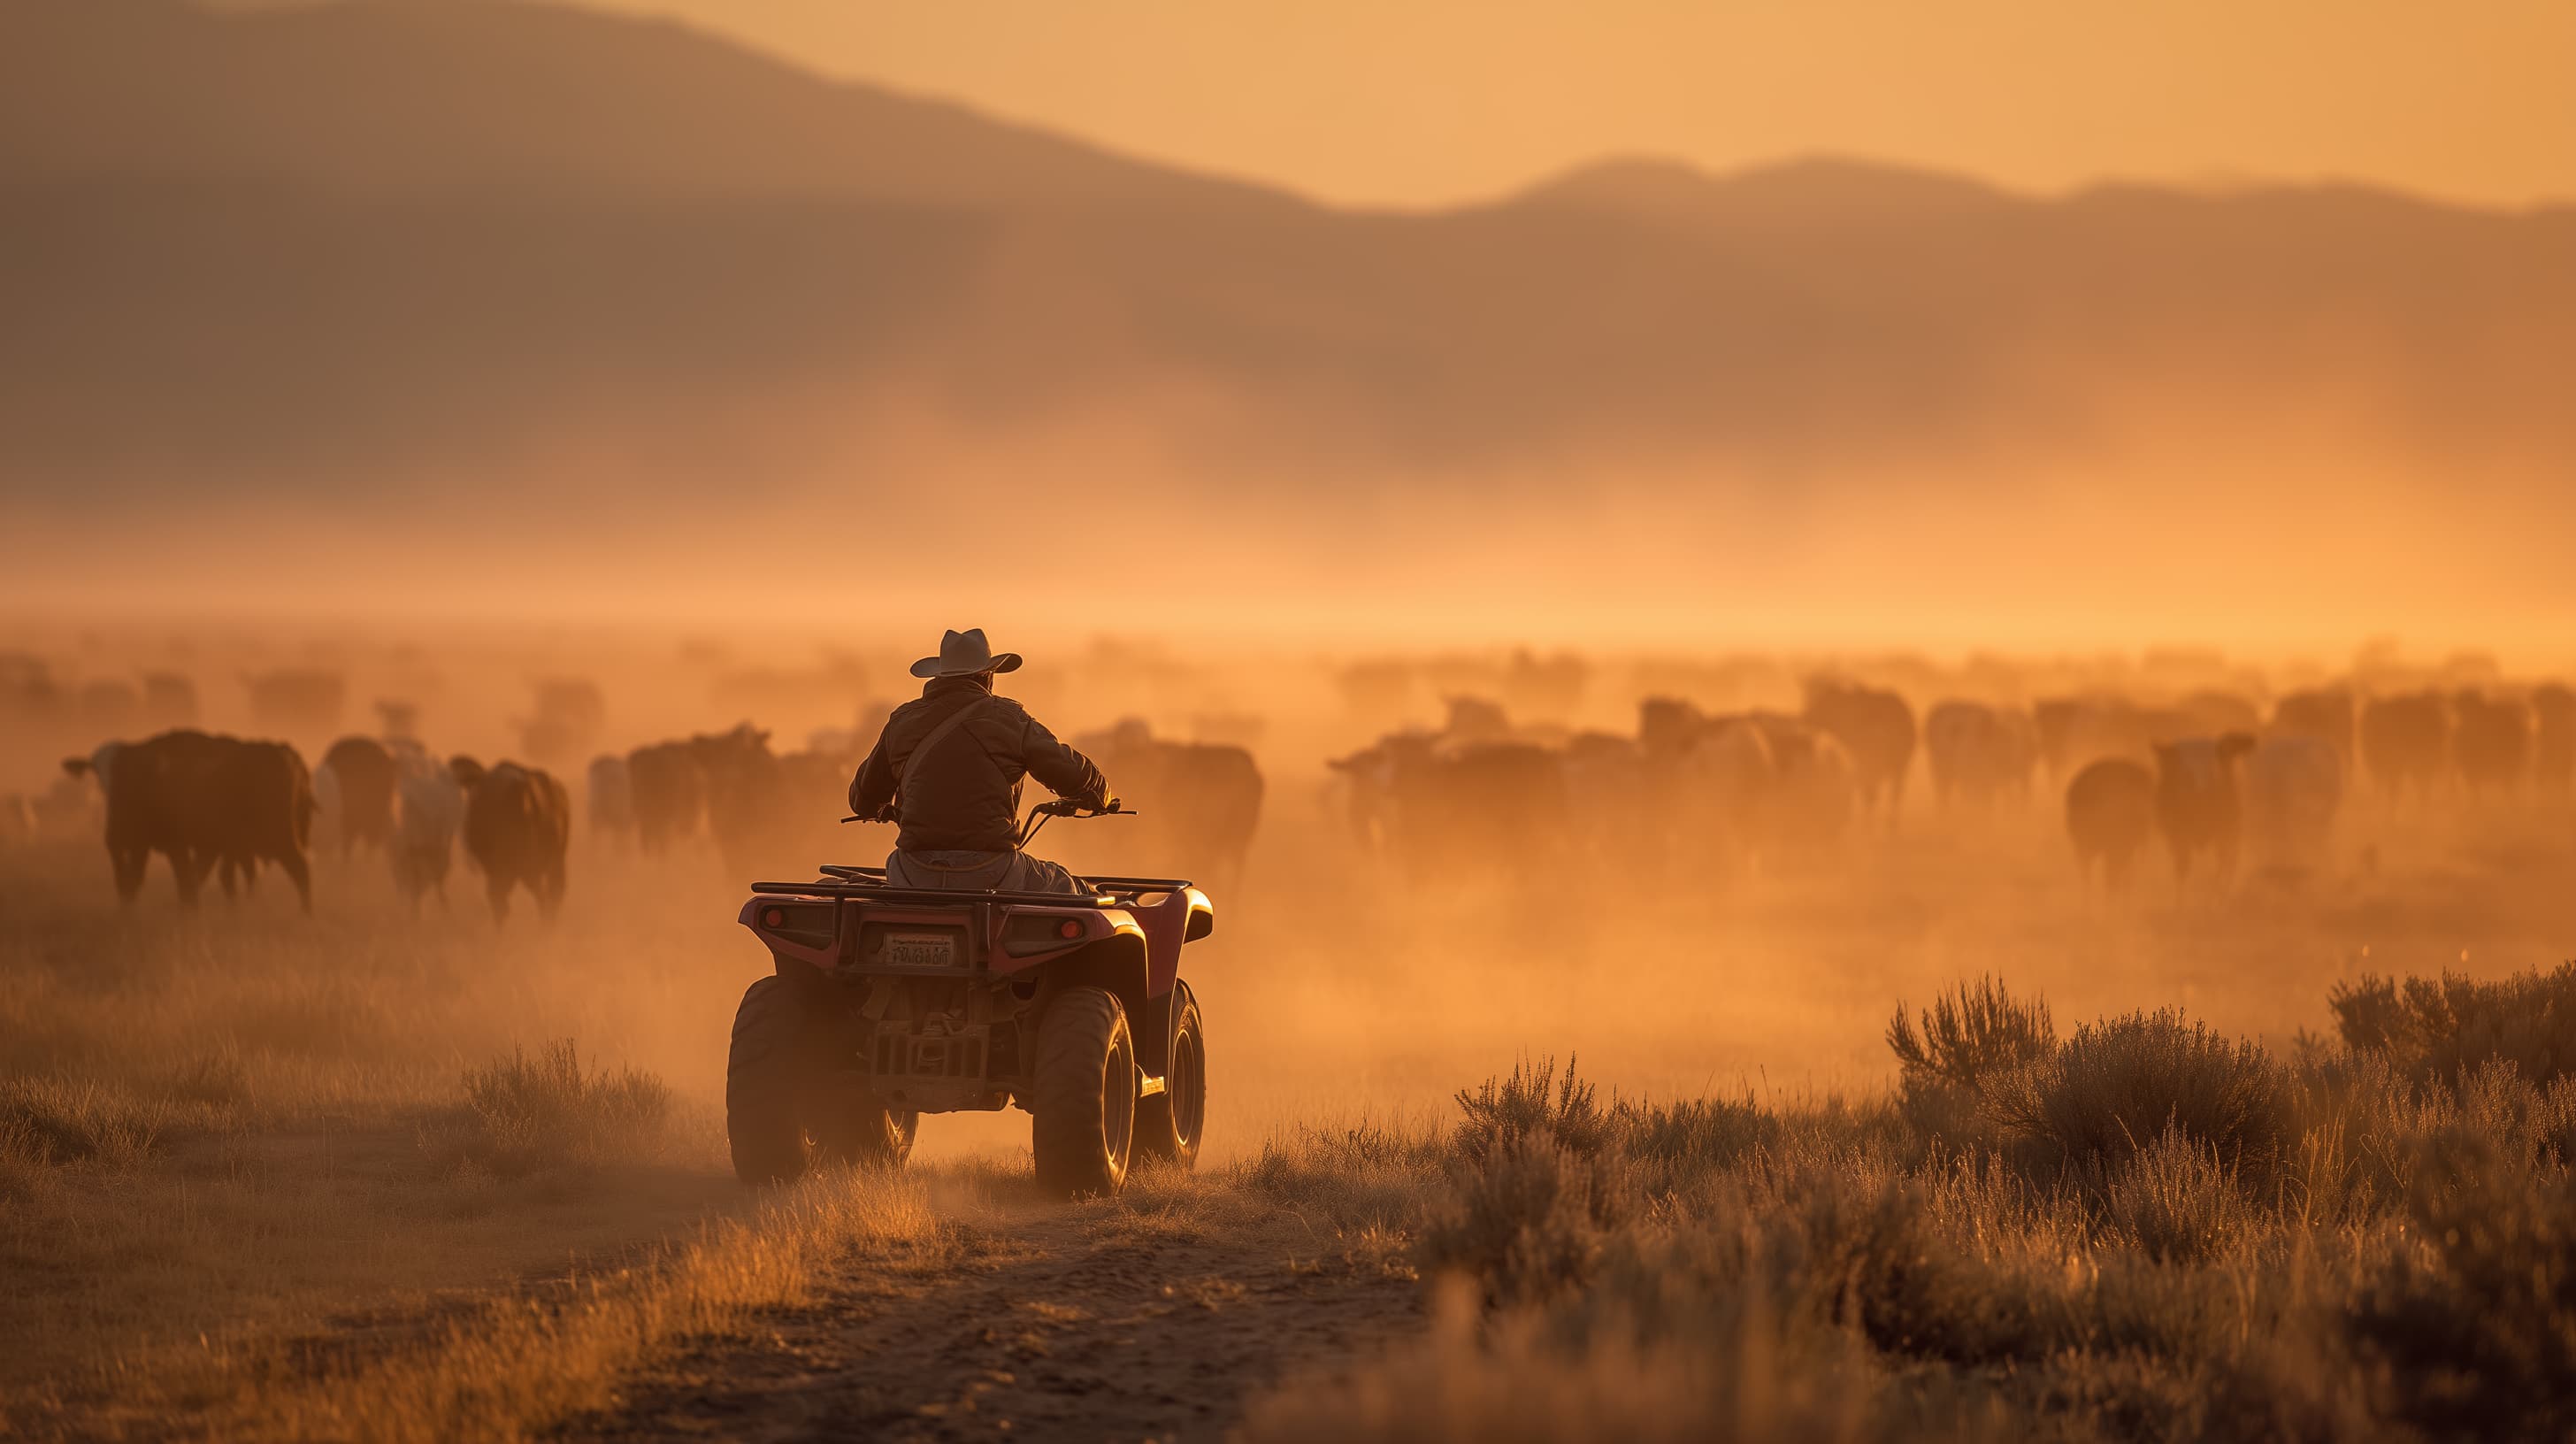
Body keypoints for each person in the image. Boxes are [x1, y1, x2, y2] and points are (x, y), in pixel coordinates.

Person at [847, 628, 1113, 892]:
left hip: (911, 872)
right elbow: (1074, 774)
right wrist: (1102, 796)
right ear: (987, 675)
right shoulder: (1009, 719)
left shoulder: (902, 721)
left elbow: (863, 799)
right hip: (991, 870)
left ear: (939, 676)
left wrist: (881, 809)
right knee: (1068, 887)